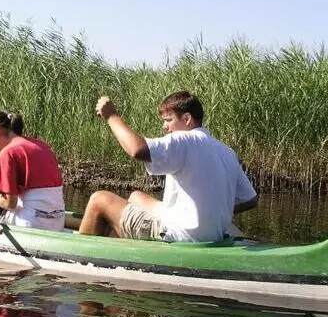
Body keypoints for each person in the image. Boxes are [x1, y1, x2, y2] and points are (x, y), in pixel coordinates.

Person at [78, 91, 258, 241]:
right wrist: (212, 210)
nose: (164, 126)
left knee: (99, 200)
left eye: (168, 120)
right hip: (211, 234)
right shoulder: (226, 151)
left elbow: (137, 150)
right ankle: (124, 243)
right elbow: (250, 199)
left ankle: (81, 257)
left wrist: (111, 116)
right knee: (136, 197)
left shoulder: (184, 140)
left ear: (187, 119)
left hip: (179, 235)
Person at [0, 110, 65, 231]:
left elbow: (10, 204)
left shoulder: (8, 152)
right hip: (58, 221)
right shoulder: (41, 145)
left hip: (32, 222)